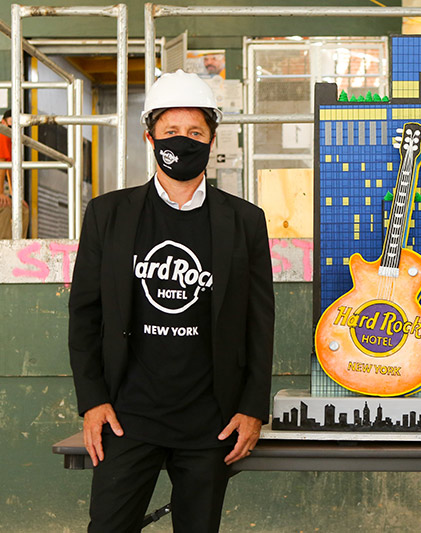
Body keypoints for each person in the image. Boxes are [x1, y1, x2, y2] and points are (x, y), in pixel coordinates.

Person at [69, 70, 275, 532]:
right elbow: (84, 314)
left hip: (211, 421)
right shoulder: (108, 215)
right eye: (172, 133)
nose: (183, 142)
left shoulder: (245, 221)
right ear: (150, 137)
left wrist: (252, 407)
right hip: (127, 417)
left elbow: (259, 321)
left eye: (195, 133)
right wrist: (93, 400)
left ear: (212, 139)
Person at [0, 108, 30, 238]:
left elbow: (11, 169)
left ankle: (17, 249)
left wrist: (15, 195)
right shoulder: (2, 134)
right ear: (3, 122)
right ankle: (5, 253)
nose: (12, 129)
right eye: (11, 125)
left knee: (22, 209)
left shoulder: (11, 140)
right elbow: (1, 165)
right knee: (5, 207)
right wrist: (0, 193)